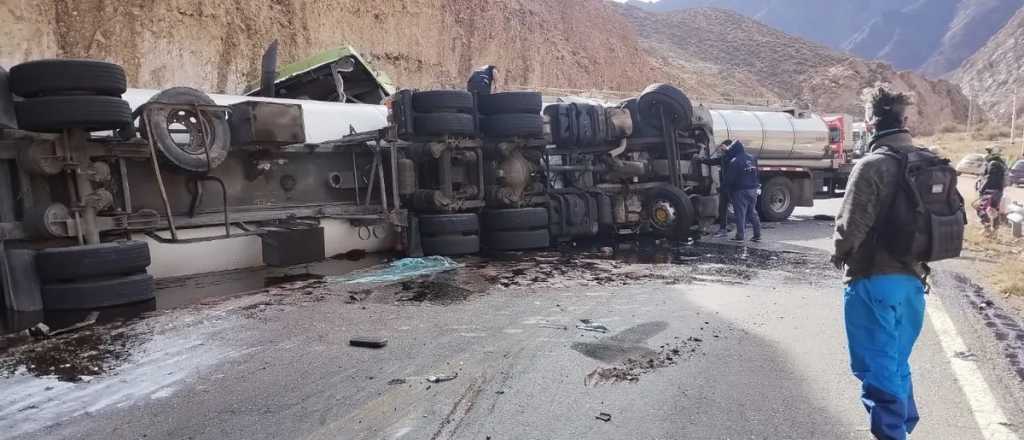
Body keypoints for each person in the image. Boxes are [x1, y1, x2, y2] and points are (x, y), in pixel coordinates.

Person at [832, 84, 925, 440]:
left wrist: (839, 255)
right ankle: (902, 427)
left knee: (875, 365)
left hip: (873, 281)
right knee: (896, 362)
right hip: (914, 281)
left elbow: (848, 228)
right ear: (903, 120)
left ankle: (891, 434)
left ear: (871, 121)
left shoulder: (872, 165)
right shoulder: (922, 161)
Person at [722, 140, 761, 242]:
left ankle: (740, 236)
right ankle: (757, 235)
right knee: (752, 212)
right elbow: (757, 173)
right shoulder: (752, 158)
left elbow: (729, 178)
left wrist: (725, 189)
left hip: (740, 191)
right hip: (753, 190)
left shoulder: (735, 161)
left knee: (740, 214)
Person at [702, 139, 734, 237]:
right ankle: (724, 229)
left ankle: (740, 229)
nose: (721, 149)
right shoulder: (725, 157)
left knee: (737, 208)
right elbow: (713, 161)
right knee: (723, 208)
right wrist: (702, 160)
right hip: (725, 188)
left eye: (723, 147)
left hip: (731, 188)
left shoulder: (731, 157)